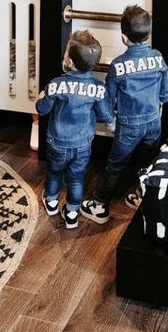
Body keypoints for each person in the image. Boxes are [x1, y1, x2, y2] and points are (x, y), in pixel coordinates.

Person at [81, 5, 168, 225]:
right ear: (148, 34)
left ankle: (100, 205)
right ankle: (141, 196)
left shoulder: (118, 66)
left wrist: (111, 123)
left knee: (115, 166)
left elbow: (107, 100)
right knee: (148, 162)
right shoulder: (158, 58)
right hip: (153, 121)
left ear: (123, 37)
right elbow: (164, 93)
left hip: (128, 126)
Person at [36, 29, 112, 229]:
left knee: (53, 172)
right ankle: (71, 214)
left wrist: (41, 96)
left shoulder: (56, 84)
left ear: (69, 62)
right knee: (76, 178)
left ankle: (51, 202)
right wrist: (114, 125)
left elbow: (42, 109)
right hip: (82, 144)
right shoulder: (99, 88)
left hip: (58, 142)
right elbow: (105, 115)